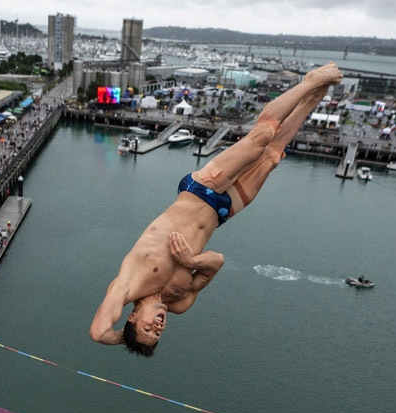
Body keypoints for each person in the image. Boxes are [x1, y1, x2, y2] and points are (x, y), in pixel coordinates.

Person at [90, 63, 343, 356]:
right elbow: (217, 262)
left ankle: (309, 81)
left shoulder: (129, 284)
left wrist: (128, 338)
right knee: (272, 157)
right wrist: (192, 258)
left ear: (132, 318)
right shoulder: (179, 302)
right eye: (157, 334)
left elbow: (98, 332)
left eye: (148, 329)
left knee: (260, 139)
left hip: (199, 191)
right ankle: (313, 98)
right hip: (222, 212)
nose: (157, 328)